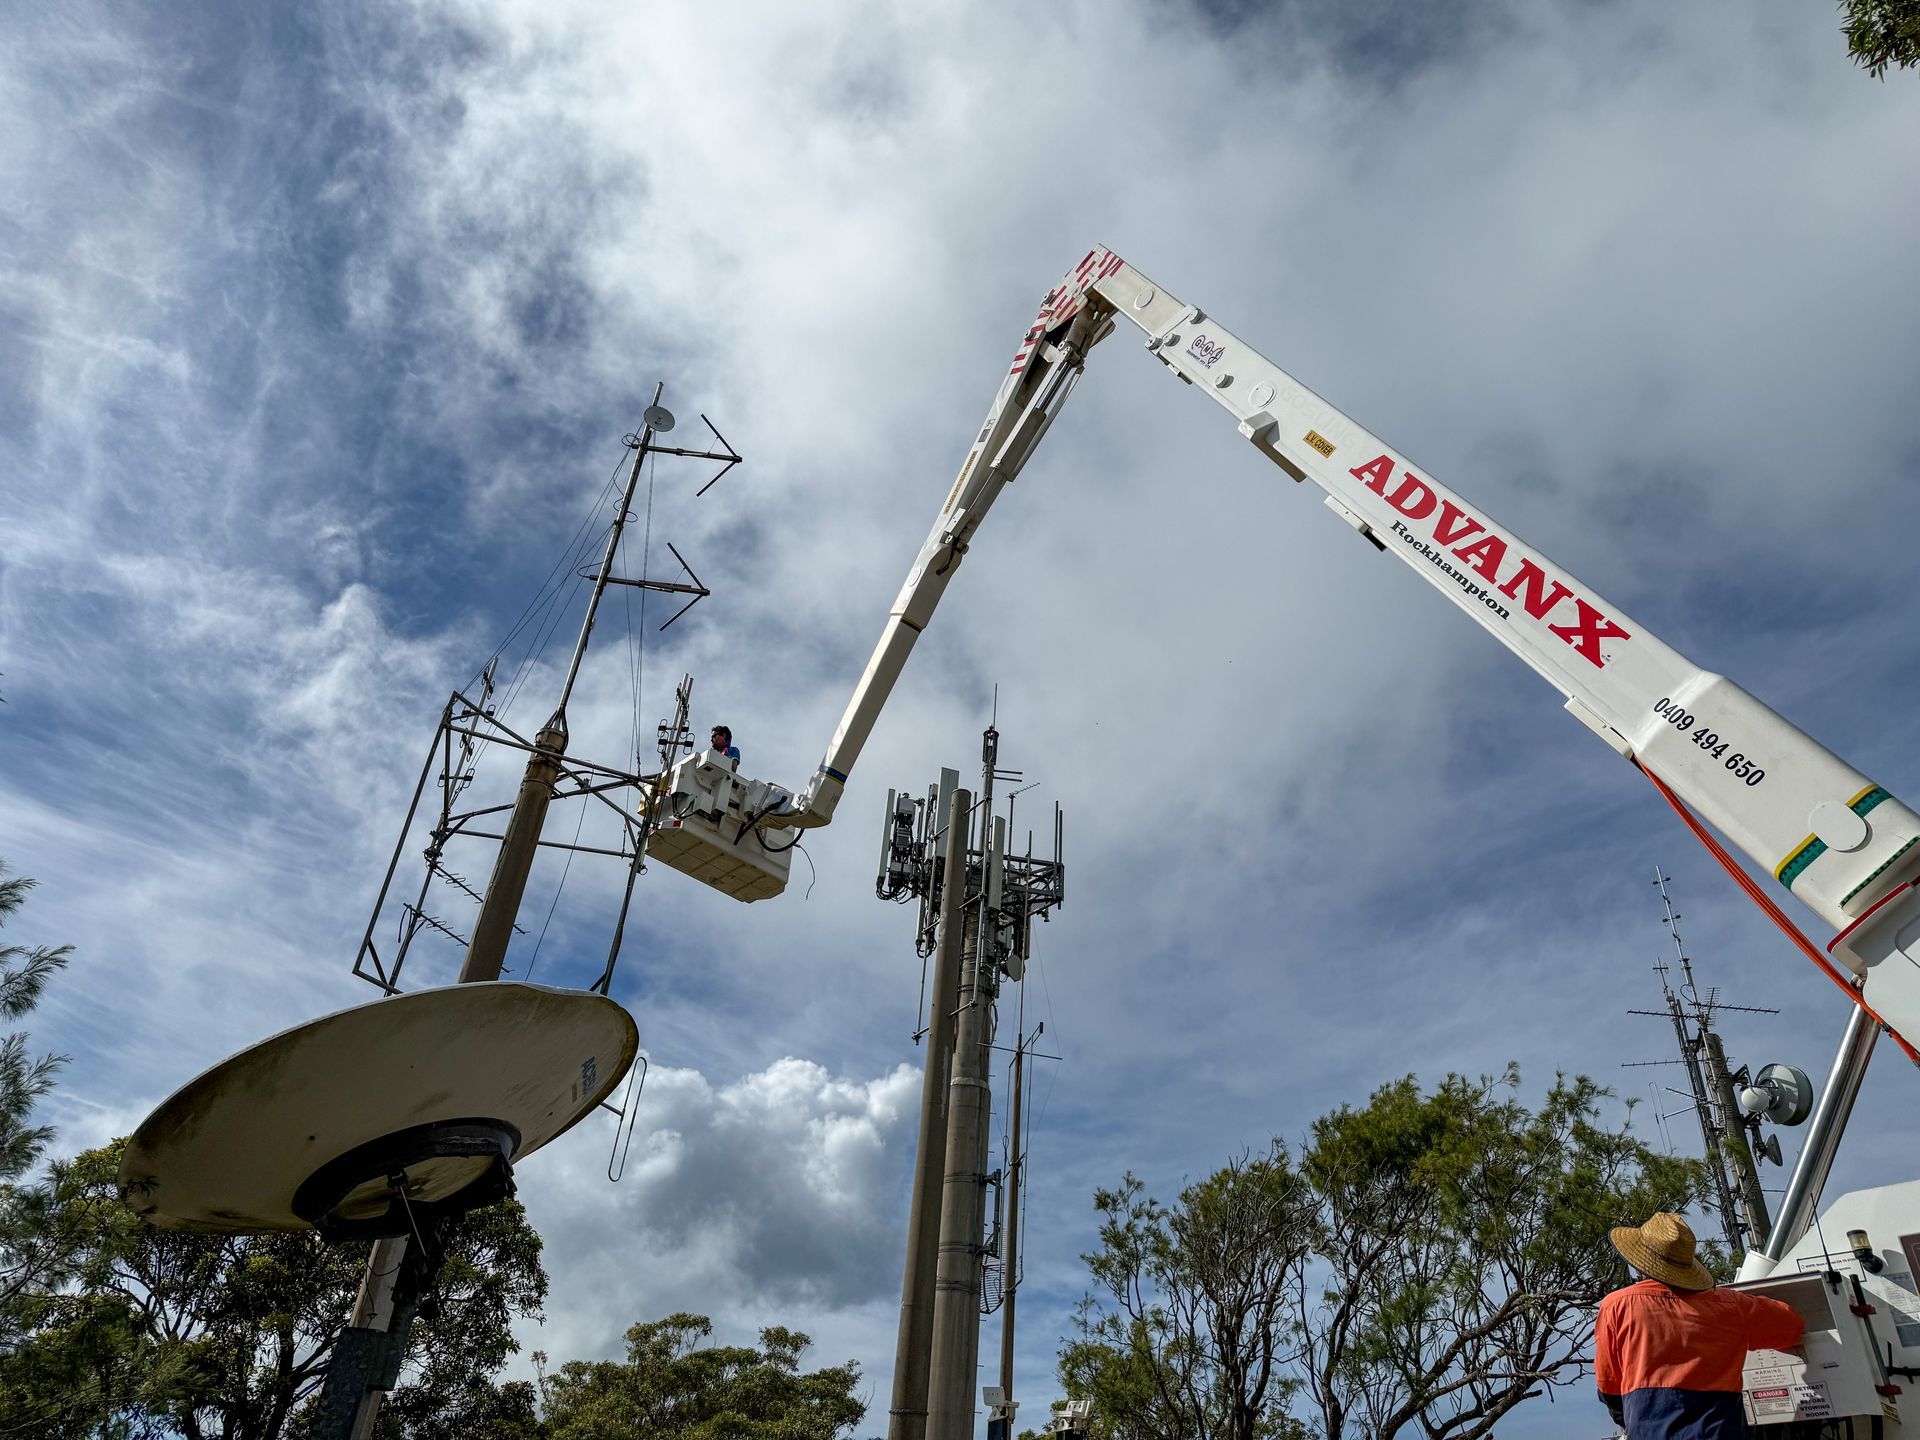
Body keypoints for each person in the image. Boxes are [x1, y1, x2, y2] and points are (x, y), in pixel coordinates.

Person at [1596, 1212, 1803, 1438]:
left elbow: (1608, 1385)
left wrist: (1626, 1420)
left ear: (1640, 1262)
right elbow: (1792, 1326)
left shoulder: (1617, 1306)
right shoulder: (1731, 1305)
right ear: (1687, 1264)